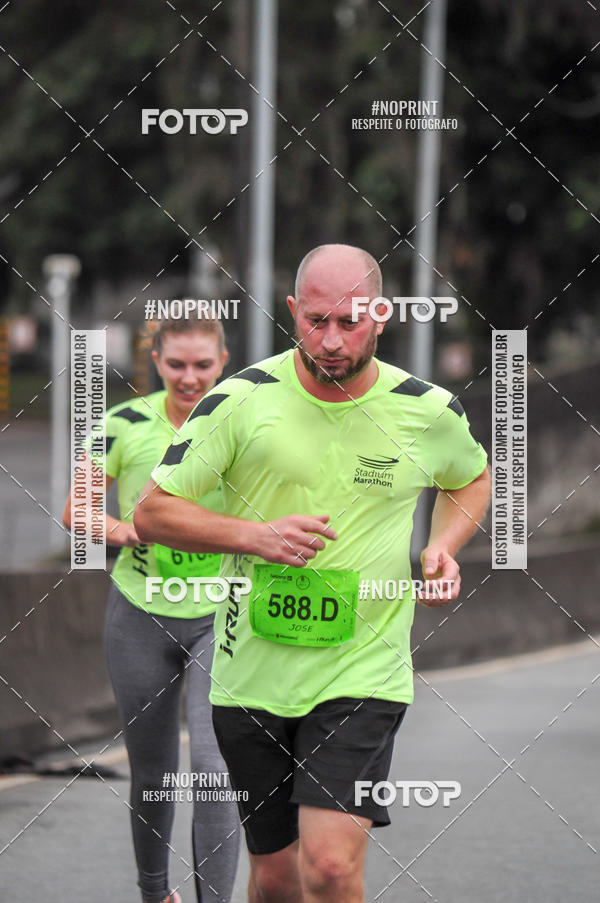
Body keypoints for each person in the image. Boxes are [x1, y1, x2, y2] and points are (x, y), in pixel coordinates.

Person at [134, 244, 492, 903]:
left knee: (328, 867)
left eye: (351, 321)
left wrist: (443, 544)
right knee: (275, 876)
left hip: (363, 671)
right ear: (293, 312)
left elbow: (470, 479)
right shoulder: (240, 399)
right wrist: (255, 535)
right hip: (250, 679)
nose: (331, 340)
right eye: (316, 320)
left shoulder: (426, 408)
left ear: (381, 315)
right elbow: (154, 511)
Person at [63, 316, 239, 903]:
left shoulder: (243, 423)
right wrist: (122, 530)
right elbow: (75, 512)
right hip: (139, 612)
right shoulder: (120, 424)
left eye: (203, 366)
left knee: (216, 774)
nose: (190, 378)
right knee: (155, 777)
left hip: (221, 615)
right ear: (156, 364)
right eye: (177, 365)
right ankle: (154, 892)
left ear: (223, 362)